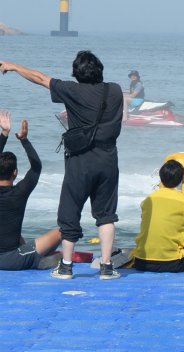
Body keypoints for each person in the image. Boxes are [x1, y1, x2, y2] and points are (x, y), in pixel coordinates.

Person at [0, 51, 123, 280]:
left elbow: (40, 78)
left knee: (69, 213)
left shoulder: (71, 90)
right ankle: (106, 267)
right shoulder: (114, 90)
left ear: (76, 73)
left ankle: (66, 267)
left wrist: (14, 66)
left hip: (79, 162)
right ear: (100, 69)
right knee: (106, 215)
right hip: (108, 161)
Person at [132, 158, 184, 273]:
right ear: (182, 180)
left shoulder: (148, 200)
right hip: (171, 263)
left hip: (141, 262)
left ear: (161, 178)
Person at [0, 111, 61, 271]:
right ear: (15, 172)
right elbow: (36, 167)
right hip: (11, 261)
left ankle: (31, 254)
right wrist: (24, 139)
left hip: (10, 253)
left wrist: (4, 134)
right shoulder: (19, 192)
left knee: (16, 236)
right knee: (64, 230)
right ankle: (37, 261)